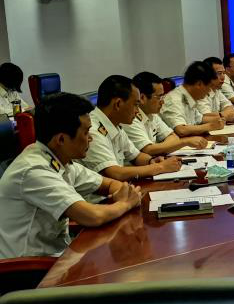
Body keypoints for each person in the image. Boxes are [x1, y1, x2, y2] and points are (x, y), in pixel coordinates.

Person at [0, 93, 142, 258]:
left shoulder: (60, 160)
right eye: (86, 132)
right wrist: (125, 204)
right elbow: (92, 216)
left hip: (57, 256)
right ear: (61, 139)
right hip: (28, 267)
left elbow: (110, 184)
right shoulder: (34, 170)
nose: (91, 138)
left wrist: (121, 193)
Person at [80, 75, 183, 181]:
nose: (137, 111)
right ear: (118, 104)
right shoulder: (92, 131)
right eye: (135, 104)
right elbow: (115, 173)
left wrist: (151, 161)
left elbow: (136, 156)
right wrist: (160, 167)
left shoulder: (114, 124)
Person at [122, 71, 207, 156]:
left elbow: (173, 136)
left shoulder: (152, 114)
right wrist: (184, 142)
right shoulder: (130, 118)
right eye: (159, 97)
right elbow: (148, 150)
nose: (162, 102)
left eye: (163, 96)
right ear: (142, 98)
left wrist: (160, 147)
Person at [160, 61, 225, 136]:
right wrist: (210, 126)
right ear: (199, 84)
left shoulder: (189, 97)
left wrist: (218, 120)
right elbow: (181, 130)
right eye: (209, 86)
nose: (209, 91)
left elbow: (200, 119)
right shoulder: (174, 100)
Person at [198, 57, 234, 123]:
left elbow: (229, 107)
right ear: (207, 74)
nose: (223, 77)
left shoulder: (217, 90)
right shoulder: (200, 93)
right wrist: (231, 114)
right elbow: (206, 116)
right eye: (219, 73)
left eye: (224, 73)